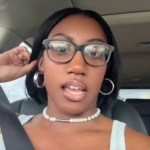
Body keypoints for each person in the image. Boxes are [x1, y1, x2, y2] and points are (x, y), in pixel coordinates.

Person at [0, 8, 150, 150]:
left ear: (105, 69)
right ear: (41, 63)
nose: (78, 67)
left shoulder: (139, 145)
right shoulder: (7, 127)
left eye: (95, 52)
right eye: (61, 49)